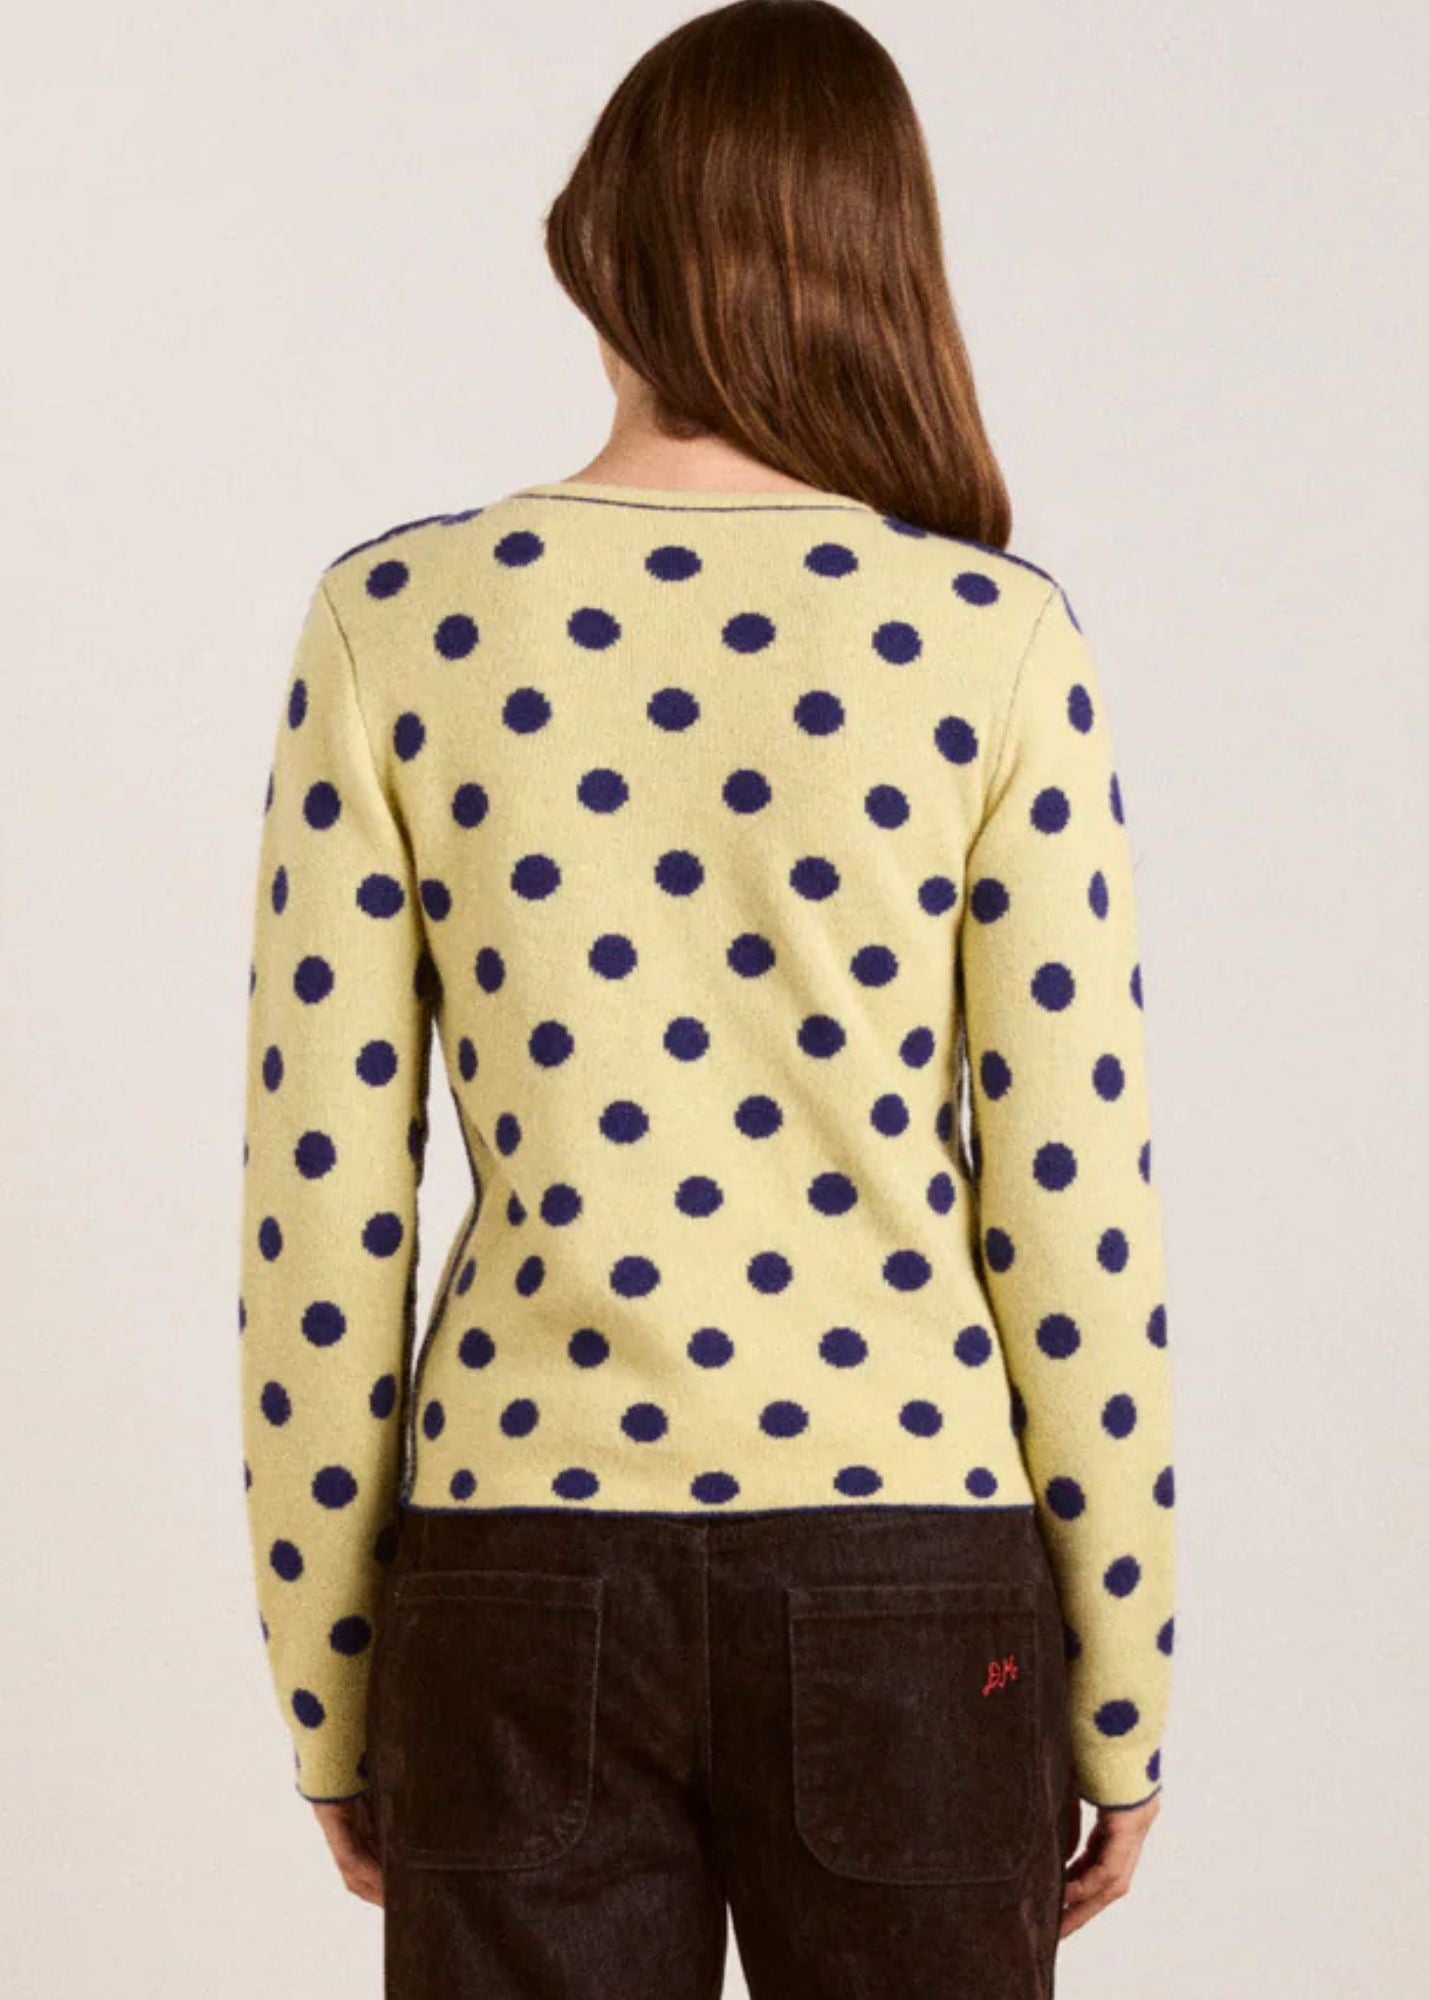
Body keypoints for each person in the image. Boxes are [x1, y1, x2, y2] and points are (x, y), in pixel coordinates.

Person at [236, 3, 1175, 1993]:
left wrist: (333, 1682)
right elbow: (1073, 1209)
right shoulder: (991, 641)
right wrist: (1120, 1694)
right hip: (913, 1571)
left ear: (603, 249)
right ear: (877, 271)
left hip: (515, 1575)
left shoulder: (395, 623)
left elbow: (323, 1211)